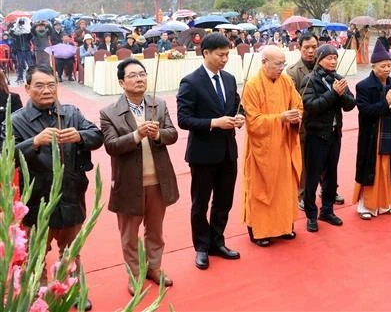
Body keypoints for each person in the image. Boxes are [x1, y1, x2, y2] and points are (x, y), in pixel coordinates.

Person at [2, 65, 103, 311]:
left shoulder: (70, 113)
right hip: (36, 201)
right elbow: (5, 156)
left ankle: (73, 290)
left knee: (71, 252)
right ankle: (40, 296)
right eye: (39, 85)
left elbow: (97, 136)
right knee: (36, 255)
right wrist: (33, 142)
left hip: (71, 194)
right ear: (27, 88)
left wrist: (79, 136)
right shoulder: (16, 121)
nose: (46, 91)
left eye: (51, 85)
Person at [100, 58, 179, 294]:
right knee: (129, 235)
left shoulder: (159, 104)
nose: (139, 79)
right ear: (122, 83)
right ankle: (134, 274)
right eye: (133, 75)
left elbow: (172, 134)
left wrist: (157, 135)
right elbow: (111, 146)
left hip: (158, 180)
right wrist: (136, 135)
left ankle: (154, 267)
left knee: (155, 230)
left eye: (142, 74)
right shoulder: (109, 113)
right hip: (128, 183)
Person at [176, 33, 244, 270]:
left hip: (227, 151)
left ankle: (217, 241)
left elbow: (236, 105)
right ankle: (202, 247)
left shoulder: (229, 79)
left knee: (224, 201)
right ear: (206, 53)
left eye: (227, 54)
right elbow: (183, 120)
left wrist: (240, 117)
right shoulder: (190, 82)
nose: (225, 59)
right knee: (200, 203)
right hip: (203, 154)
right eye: (221, 55)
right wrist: (215, 122)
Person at [241, 45, 302, 246]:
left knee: (284, 188)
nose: (281, 68)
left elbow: (298, 105)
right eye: (277, 64)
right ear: (264, 62)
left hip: (284, 144)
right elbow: (253, 121)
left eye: (283, 64)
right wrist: (280, 118)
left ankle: (284, 226)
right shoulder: (252, 85)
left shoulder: (286, 81)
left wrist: (295, 117)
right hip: (262, 148)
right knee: (261, 190)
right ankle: (259, 231)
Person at [301, 44, 356, 232]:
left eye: (335, 58)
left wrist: (340, 94)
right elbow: (312, 106)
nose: (333, 61)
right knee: (312, 176)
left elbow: (350, 104)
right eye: (329, 58)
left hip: (334, 134)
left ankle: (327, 209)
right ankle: (311, 214)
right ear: (319, 59)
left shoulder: (338, 79)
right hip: (316, 135)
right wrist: (333, 93)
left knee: (331, 174)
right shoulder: (310, 80)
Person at [353, 44, 391, 219]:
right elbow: (365, 110)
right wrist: (386, 102)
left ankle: (384, 203)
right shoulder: (364, 86)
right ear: (373, 66)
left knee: (387, 168)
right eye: (382, 66)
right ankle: (366, 205)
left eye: (388, 66)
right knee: (371, 168)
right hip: (371, 135)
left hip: (389, 131)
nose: (386, 69)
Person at [286, 33, 318, 210]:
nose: (311, 51)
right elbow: (292, 99)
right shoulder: (292, 72)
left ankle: (328, 188)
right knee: (304, 162)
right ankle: (302, 194)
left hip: (324, 122)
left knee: (325, 159)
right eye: (306, 47)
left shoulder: (325, 66)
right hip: (305, 124)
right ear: (299, 48)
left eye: (314, 47)